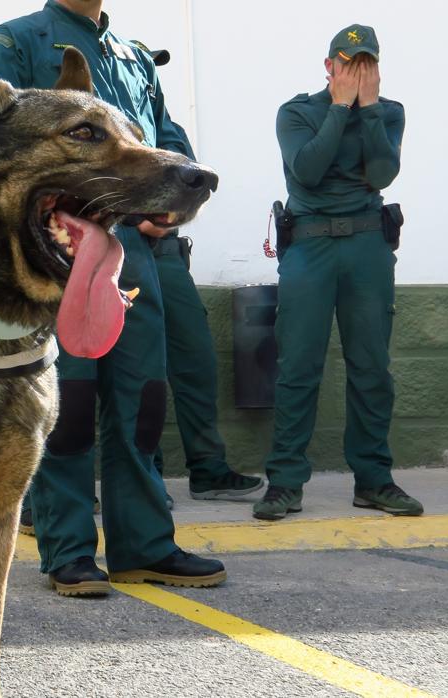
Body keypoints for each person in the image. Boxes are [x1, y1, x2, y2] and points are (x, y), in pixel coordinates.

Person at [0, 0, 226, 598]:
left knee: (142, 403)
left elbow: (168, 144)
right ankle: (68, 550)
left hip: (133, 255)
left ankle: (145, 545)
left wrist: (172, 202)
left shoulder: (136, 59)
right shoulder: (16, 42)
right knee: (69, 404)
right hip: (56, 252)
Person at [255, 24, 421, 521]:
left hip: (368, 246)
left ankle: (373, 480)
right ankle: (285, 483)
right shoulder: (297, 112)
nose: (357, 72)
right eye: (348, 63)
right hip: (309, 246)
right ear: (329, 66)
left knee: (371, 368)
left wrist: (367, 109)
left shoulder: (388, 112)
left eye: (366, 64)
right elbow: (306, 170)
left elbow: (382, 175)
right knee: (298, 368)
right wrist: (339, 107)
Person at [140, 47, 263, 505]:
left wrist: (166, 215)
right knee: (134, 370)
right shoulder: (106, 119)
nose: (148, 77)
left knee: (196, 362)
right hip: (118, 250)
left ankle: (208, 470)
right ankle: (142, 475)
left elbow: (189, 174)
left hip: (167, 253)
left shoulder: (164, 123)